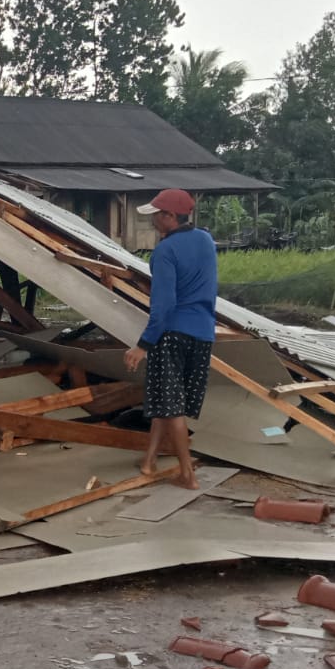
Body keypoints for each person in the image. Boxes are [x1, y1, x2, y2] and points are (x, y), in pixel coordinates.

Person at [123, 188, 218, 490]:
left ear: (169, 217)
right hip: (203, 333)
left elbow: (162, 306)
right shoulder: (205, 240)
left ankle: (187, 473)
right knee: (168, 401)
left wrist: (142, 345)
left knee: (172, 405)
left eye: (157, 216)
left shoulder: (165, 251)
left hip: (172, 333)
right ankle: (149, 460)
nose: (153, 222)